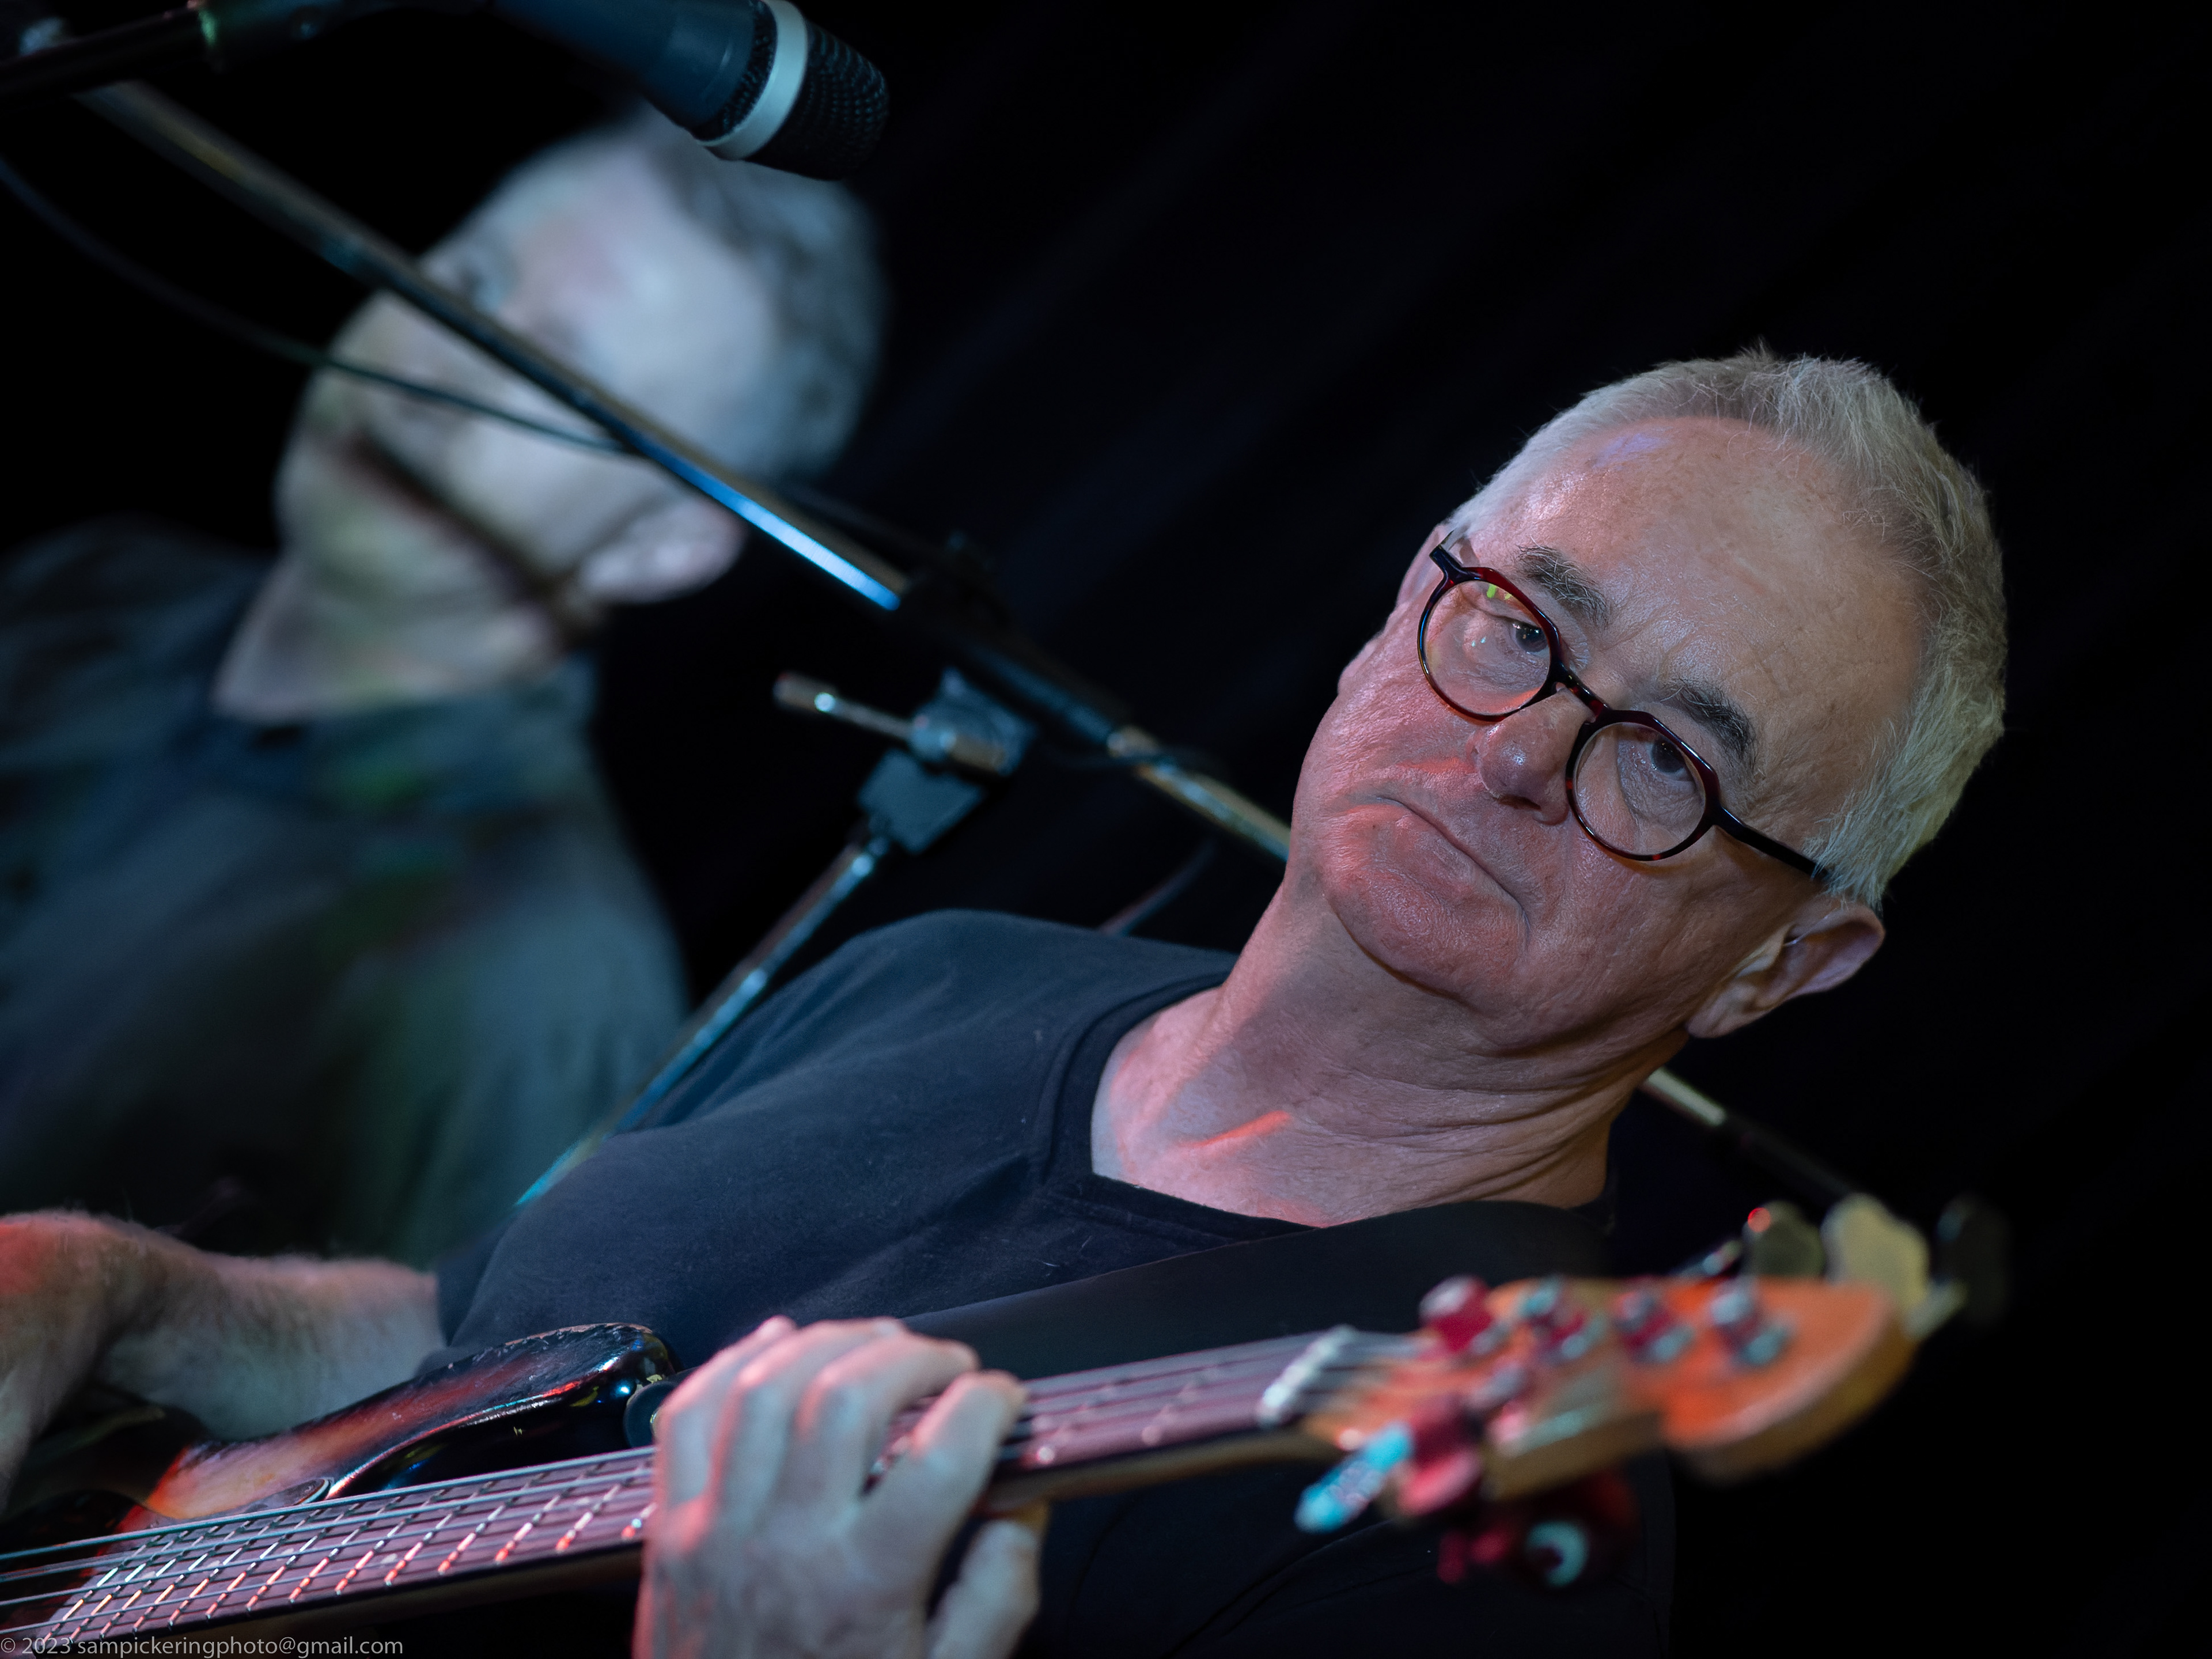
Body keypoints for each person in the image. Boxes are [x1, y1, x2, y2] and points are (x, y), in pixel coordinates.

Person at [0, 350, 2006, 1654]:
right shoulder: (957, 967)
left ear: (1783, 961)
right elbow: (456, 1352)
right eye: (1515, 625)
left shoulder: (1487, 1548)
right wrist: (108, 1293)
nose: (1513, 754)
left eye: (1667, 761)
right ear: (1405, 600)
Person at [0, 108, 884, 1264]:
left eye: (546, 378)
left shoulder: (532, 976)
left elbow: (423, 1371)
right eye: (468, 280)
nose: (430, 370)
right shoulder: (96, 586)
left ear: (660, 544)